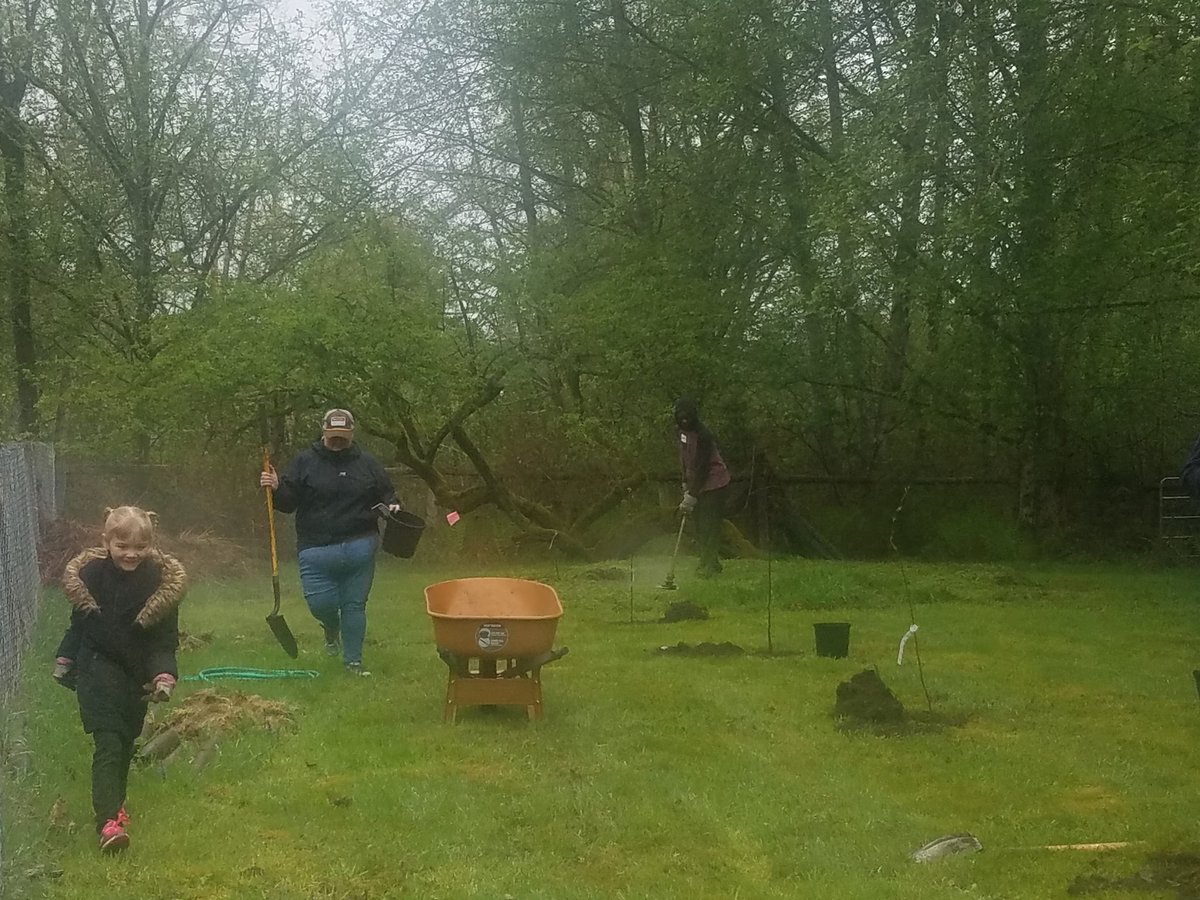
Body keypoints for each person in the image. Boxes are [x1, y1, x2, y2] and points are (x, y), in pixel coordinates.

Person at [53, 506, 187, 854]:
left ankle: (116, 806)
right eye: (122, 545)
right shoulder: (92, 576)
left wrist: (163, 673)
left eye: (139, 547)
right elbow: (79, 624)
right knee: (109, 741)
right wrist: (65, 658)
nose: (130, 553)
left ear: (151, 545)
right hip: (96, 667)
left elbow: (164, 639)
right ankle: (107, 823)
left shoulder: (161, 583)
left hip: (136, 675)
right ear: (106, 541)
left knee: (126, 741)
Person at [259, 408, 401, 677]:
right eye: (333, 436)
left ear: (352, 434)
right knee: (321, 605)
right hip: (315, 548)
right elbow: (288, 503)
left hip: (361, 545)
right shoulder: (305, 462)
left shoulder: (368, 464)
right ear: (324, 432)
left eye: (342, 437)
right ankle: (330, 627)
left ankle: (353, 663)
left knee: (354, 606)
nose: (337, 442)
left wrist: (393, 505)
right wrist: (277, 488)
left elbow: (387, 493)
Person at [674, 397, 732, 575]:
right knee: (699, 525)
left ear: (694, 415)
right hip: (697, 483)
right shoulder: (681, 432)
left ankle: (708, 567)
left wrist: (691, 495)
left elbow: (702, 467)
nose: (684, 419)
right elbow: (685, 457)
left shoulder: (704, 435)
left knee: (709, 525)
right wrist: (685, 481)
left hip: (714, 483)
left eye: (687, 416)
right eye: (680, 416)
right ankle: (710, 562)